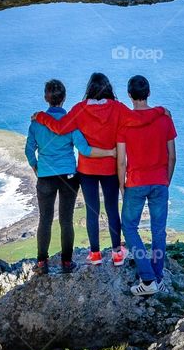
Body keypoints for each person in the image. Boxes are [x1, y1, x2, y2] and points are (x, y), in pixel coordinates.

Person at [32, 72, 165, 267]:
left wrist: (41, 116)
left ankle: (95, 254)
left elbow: (60, 128)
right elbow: (140, 119)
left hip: (87, 169)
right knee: (112, 208)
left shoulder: (79, 109)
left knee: (92, 210)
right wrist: (161, 111)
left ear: (89, 89)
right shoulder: (118, 108)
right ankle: (117, 253)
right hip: (110, 168)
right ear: (108, 88)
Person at [25, 79, 116, 275]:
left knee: (45, 220)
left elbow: (29, 151)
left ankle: (42, 263)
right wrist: (110, 152)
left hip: (46, 177)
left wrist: (36, 169)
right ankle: (67, 263)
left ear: (45, 98)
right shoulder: (71, 123)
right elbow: (84, 149)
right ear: (64, 98)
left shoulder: (35, 124)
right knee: (66, 220)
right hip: (69, 175)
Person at [118, 75, 177, 296]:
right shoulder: (165, 119)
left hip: (135, 181)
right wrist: (166, 180)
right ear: (149, 93)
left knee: (129, 227)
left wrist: (122, 185)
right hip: (160, 180)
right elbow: (172, 156)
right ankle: (158, 276)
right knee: (158, 230)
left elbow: (122, 159)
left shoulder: (125, 122)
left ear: (129, 95)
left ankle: (147, 277)